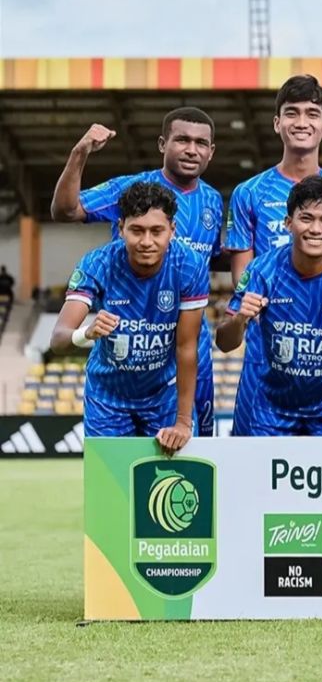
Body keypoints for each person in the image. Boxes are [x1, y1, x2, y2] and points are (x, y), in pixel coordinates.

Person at [49, 107, 223, 437]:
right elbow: (66, 210)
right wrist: (80, 153)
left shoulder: (212, 200)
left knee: (195, 443)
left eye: (200, 143)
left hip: (190, 343)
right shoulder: (131, 189)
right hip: (127, 334)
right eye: (182, 140)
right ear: (162, 144)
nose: (191, 150)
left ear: (211, 151)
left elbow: (212, 259)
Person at [216, 175, 322, 451]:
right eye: (306, 218)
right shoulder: (262, 270)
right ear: (288, 223)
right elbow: (224, 343)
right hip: (273, 404)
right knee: (259, 478)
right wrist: (240, 319)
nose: (316, 229)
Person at [50, 182, 208, 454]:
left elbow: (186, 347)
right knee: (110, 481)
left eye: (157, 231)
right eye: (137, 230)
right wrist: (86, 333)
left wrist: (183, 422)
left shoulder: (189, 266)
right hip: (107, 398)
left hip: (163, 397)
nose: (146, 241)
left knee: (167, 479)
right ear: (121, 228)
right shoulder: (97, 264)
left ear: (172, 230)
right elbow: (58, 340)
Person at [226, 74, 322, 287]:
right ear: (277, 123)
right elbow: (243, 280)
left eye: (312, 114)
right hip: (268, 306)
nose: (302, 123)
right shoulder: (248, 193)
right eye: (291, 113)